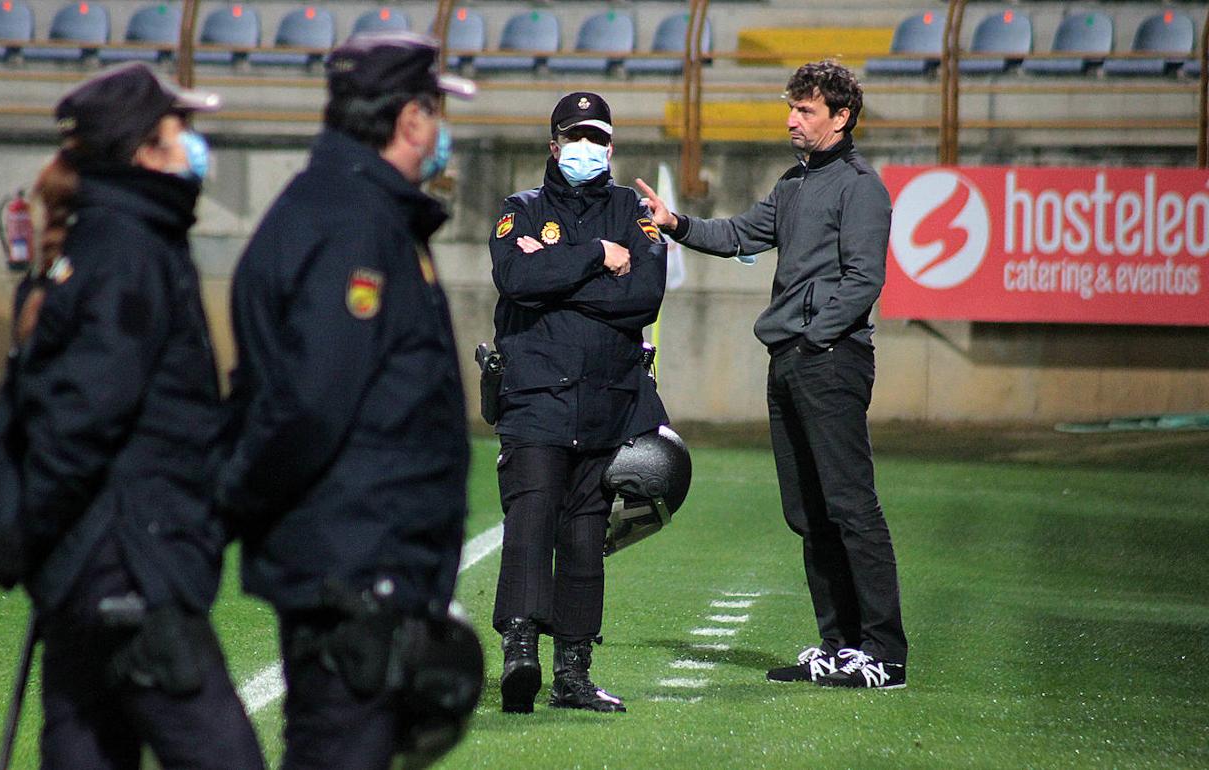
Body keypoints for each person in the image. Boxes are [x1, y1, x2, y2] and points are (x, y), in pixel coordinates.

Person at [0, 63, 266, 767]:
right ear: (142, 149)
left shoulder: (102, 244)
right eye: (178, 128)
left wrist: (28, 535)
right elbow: (83, 414)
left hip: (86, 566)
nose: (193, 142)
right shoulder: (130, 252)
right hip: (129, 565)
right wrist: (27, 529)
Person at [214, 33, 478, 769]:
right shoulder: (353, 221)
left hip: (363, 555)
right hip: (353, 566)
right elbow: (309, 404)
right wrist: (232, 501)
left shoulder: (358, 208)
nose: (439, 130)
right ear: (410, 119)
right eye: (434, 110)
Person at [636, 60, 908, 689]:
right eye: (792, 108)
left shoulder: (861, 187)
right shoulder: (793, 185)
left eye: (806, 110)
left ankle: (885, 655)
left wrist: (813, 337)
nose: (791, 119)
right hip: (788, 361)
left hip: (829, 360)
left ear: (841, 119)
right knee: (808, 511)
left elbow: (865, 278)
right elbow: (739, 233)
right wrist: (676, 225)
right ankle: (839, 646)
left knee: (850, 506)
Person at [489, 91, 669, 714]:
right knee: (531, 521)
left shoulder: (635, 212)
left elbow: (643, 297)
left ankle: (573, 672)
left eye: (596, 137)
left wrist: (558, 277)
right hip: (535, 397)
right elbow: (515, 279)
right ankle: (521, 656)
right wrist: (596, 257)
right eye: (574, 136)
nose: (585, 148)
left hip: (607, 403)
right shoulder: (520, 209)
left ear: (612, 147)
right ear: (553, 143)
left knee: (587, 535)